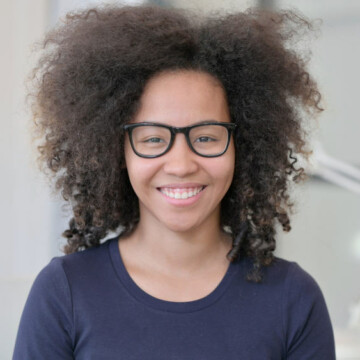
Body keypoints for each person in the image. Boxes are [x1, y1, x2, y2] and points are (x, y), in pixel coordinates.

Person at [13, 4, 336, 359]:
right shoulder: (65, 292)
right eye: (153, 139)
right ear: (114, 152)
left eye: (206, 138)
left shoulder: (293, 298)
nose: (181, 165)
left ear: (243, 147)